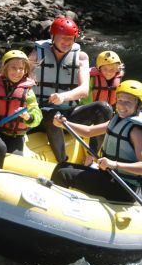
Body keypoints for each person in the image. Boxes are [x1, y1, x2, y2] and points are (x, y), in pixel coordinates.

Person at [51, 80, 142, 202]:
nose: (121, 105)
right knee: (62, 167)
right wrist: (64, 124)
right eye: (120, 100)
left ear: (140, 105)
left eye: (128, 102)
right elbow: (89, 131)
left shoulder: (136, 131)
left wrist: (114, 164)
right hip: (109, 177)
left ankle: (55, 209)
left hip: (123, 188)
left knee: (63, 174)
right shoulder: (117, 121)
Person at [28, 17, 112, 163]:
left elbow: (84, 89)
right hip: (42, 114)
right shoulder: (36, 55)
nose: (67, 42)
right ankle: (63, 163)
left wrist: (63, 96)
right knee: (54, 114)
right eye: (63, 38)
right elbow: (21, 78)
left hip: (69, 113)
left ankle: (91, 157)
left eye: (70, 39)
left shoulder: (81, 58)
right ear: (53, 36)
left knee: (104, 108)